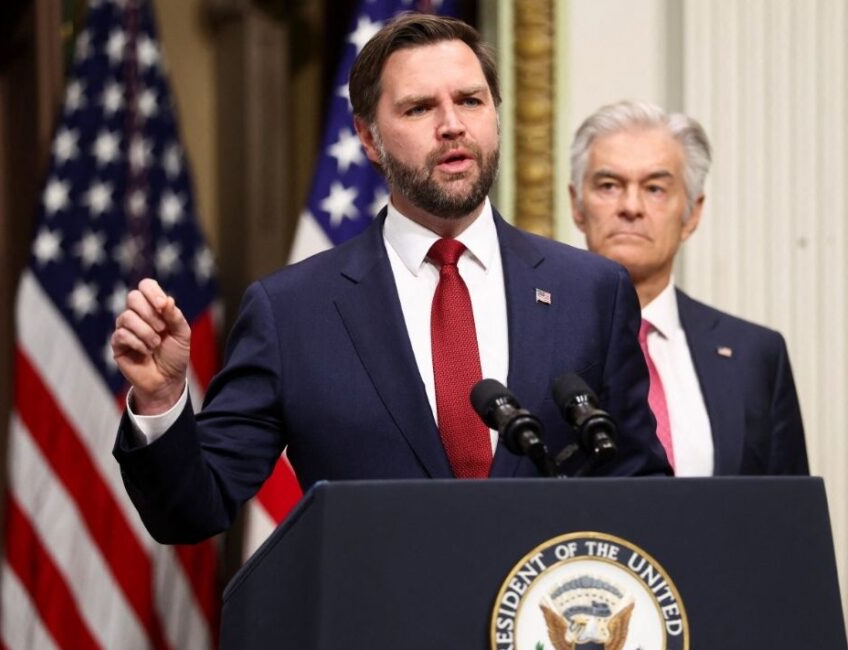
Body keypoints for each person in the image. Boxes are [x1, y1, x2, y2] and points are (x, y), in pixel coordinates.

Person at [111, 16, 670, 545]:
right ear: (370, 139)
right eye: (420, 108)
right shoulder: (293, 311)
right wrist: (161, 400)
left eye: (471, 101)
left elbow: (643, 497)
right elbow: (193, 509)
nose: (452, 124)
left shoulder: (592, 292)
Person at [569, 100, 808, 477]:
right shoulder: (539, 343)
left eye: (655, 189)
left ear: (692, 213)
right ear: (577, 206)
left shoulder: (756, 356)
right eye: (609, 185)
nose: (631, 206)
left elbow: (786, 519)